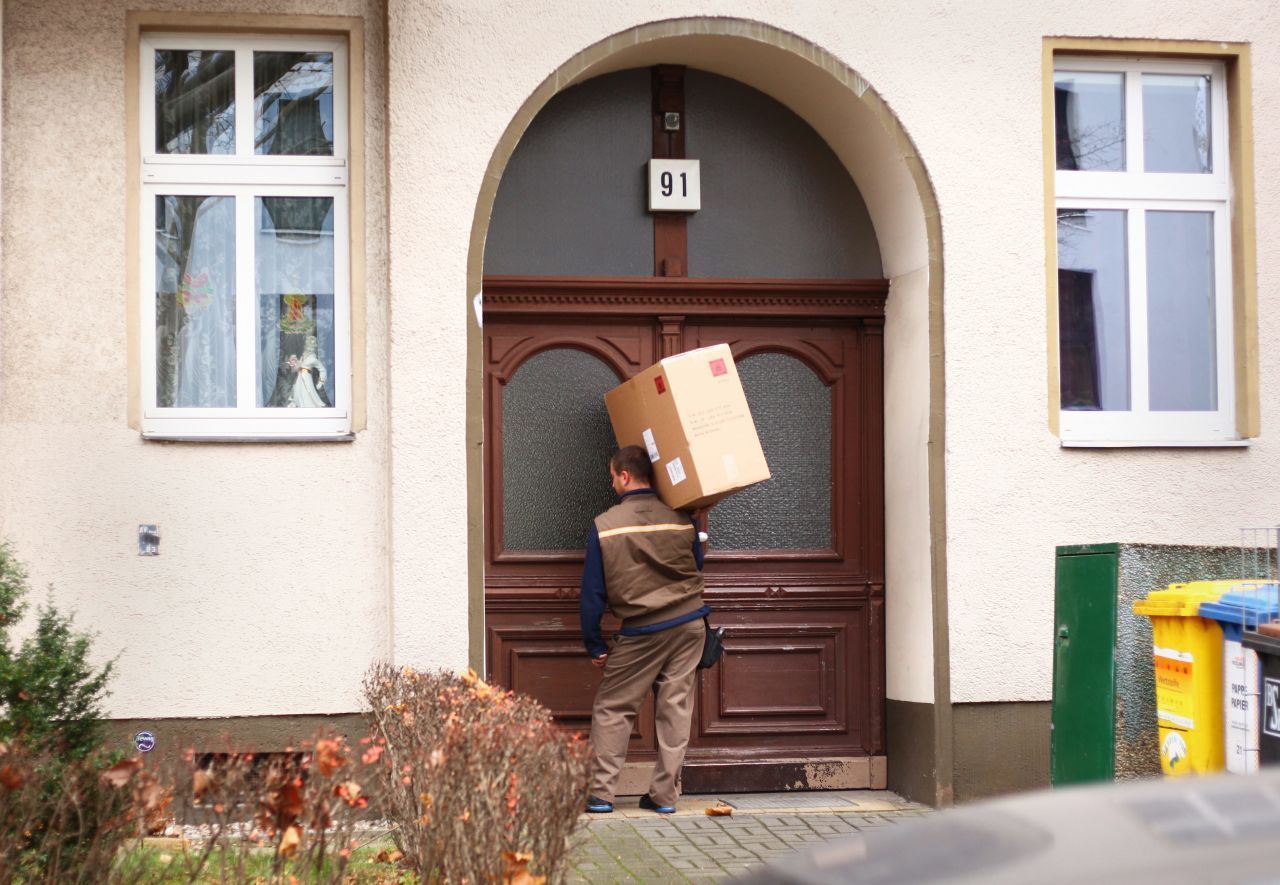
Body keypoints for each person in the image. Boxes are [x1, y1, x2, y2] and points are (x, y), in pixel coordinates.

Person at [579, 445, 709, 814]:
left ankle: (602, 794)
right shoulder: (682, 517)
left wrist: (594, 644)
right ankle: (665, 797)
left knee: (613, 707)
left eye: (612, 475)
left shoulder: (605, 526)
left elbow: (593, 593)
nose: (612, 482)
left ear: (624, 475)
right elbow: (696, 565)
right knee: (675, 709)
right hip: (689, 624)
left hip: (642, 629)